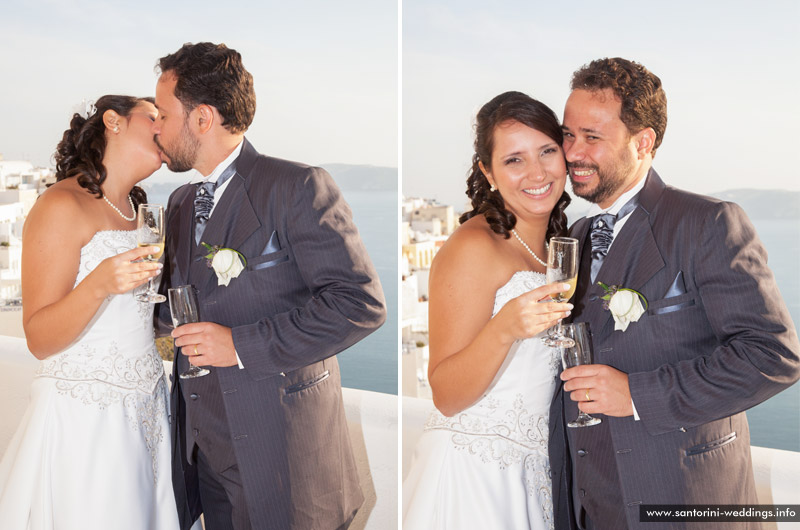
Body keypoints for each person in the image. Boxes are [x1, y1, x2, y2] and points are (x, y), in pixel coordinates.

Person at [551, 57, 800, 530]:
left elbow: (773, 356)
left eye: (592, 137)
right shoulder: (573, 237)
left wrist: (638, 394)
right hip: (592, 506)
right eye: (567, 134)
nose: (572, 152)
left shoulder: (708, 223)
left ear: (643, 142)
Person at [152, 42, 387, 530]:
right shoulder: (177, 203)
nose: (156, 126)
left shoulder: (298, 186)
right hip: (207, 454)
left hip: (285, 461)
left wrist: (238, 345)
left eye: (162, 113)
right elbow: (174, 311)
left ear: (202, 119)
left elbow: (359, 303)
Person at [0, 95, 180, 529]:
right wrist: (99, 283)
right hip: (87, 419)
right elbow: (40, 339)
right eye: (153, 116)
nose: (163, 125)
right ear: (113, 122)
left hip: (149, 411)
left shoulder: (142, 214)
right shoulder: (61, 205)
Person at [402, 91, 574, 530]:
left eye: (547, 151)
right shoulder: (473, 246)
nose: (536, 172)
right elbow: (446, 393)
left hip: (534, 474)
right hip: (474, 478)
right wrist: (503, 330)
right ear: (488, 171)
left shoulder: (557, 247)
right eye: (514, 160)